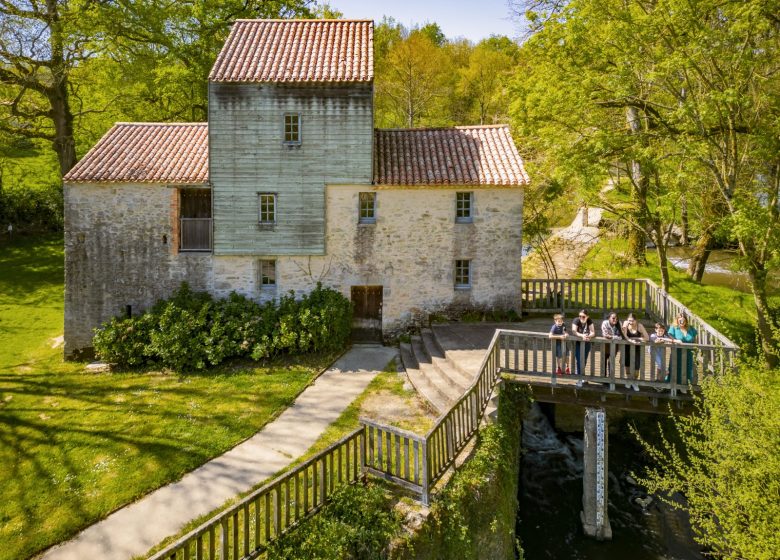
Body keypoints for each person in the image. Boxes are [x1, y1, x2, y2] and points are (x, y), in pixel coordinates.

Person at [667, 313, 698, 392]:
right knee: (676, 368)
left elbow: (694, 340)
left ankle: (685, 386)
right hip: (677, 352)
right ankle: (674, 385)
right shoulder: (674, 328)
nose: (681, 321)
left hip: (689, 353)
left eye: (683, 319)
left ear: (686, 320)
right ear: (677, 320)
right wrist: (675, 340)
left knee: (688, 369)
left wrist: (696, 351)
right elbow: (670, 337)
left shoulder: (690, 328)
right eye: (680, 320)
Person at [621, 313, 648, 391]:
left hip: (637, 348)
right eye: (629, 320)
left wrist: (637, 338)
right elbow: (624, 336)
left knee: (636, 366)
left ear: (636, 321)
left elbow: (647, 338)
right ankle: (629, 380)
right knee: (627, 365)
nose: (631, 322)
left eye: (632, 321)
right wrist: (625, 327)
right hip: (627, 347)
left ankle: (635, 382)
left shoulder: (640, 326)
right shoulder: (626, 325)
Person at [572, 309, 595, 382]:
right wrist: (582, 335)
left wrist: (589, 336)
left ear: (587, 317)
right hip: (578, 342)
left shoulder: (589, 321)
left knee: (584, 360)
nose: (581, 318)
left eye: (583, 316)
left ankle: (581, 374)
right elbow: (574, 331)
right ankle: (579, 377)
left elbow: (593, 332)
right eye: (580, 316)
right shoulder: (576, 320)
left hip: (587, 342)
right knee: (579, 360)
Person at [600, 311, 622, 377]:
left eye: (616, 318)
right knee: (604, 360)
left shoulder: (619, 323)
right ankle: (603, 377)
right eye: (613, 318)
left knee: (611, 361)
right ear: (609, 318)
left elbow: (621, 336)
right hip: (605, 345)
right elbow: (605, 335)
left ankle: (611, 377)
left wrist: (612, 337)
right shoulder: (605, 323)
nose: (615, 319)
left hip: (614, 346)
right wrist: (615, 337)